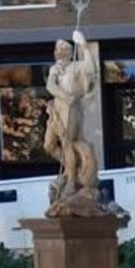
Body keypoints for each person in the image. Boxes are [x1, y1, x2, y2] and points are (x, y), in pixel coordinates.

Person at [43, 29, 99, 202]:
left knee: (67, 144)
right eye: (56, 48)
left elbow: (90, 68)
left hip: (71, 108)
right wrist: (63, 95)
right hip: (57, 108)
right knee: (48, 145)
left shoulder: (76, 67)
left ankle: (72, 182)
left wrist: (83, 45)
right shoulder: (55, 68)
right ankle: (70, 168)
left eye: (60, 48)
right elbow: (50, 85)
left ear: (68, 51)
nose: (56, 51)